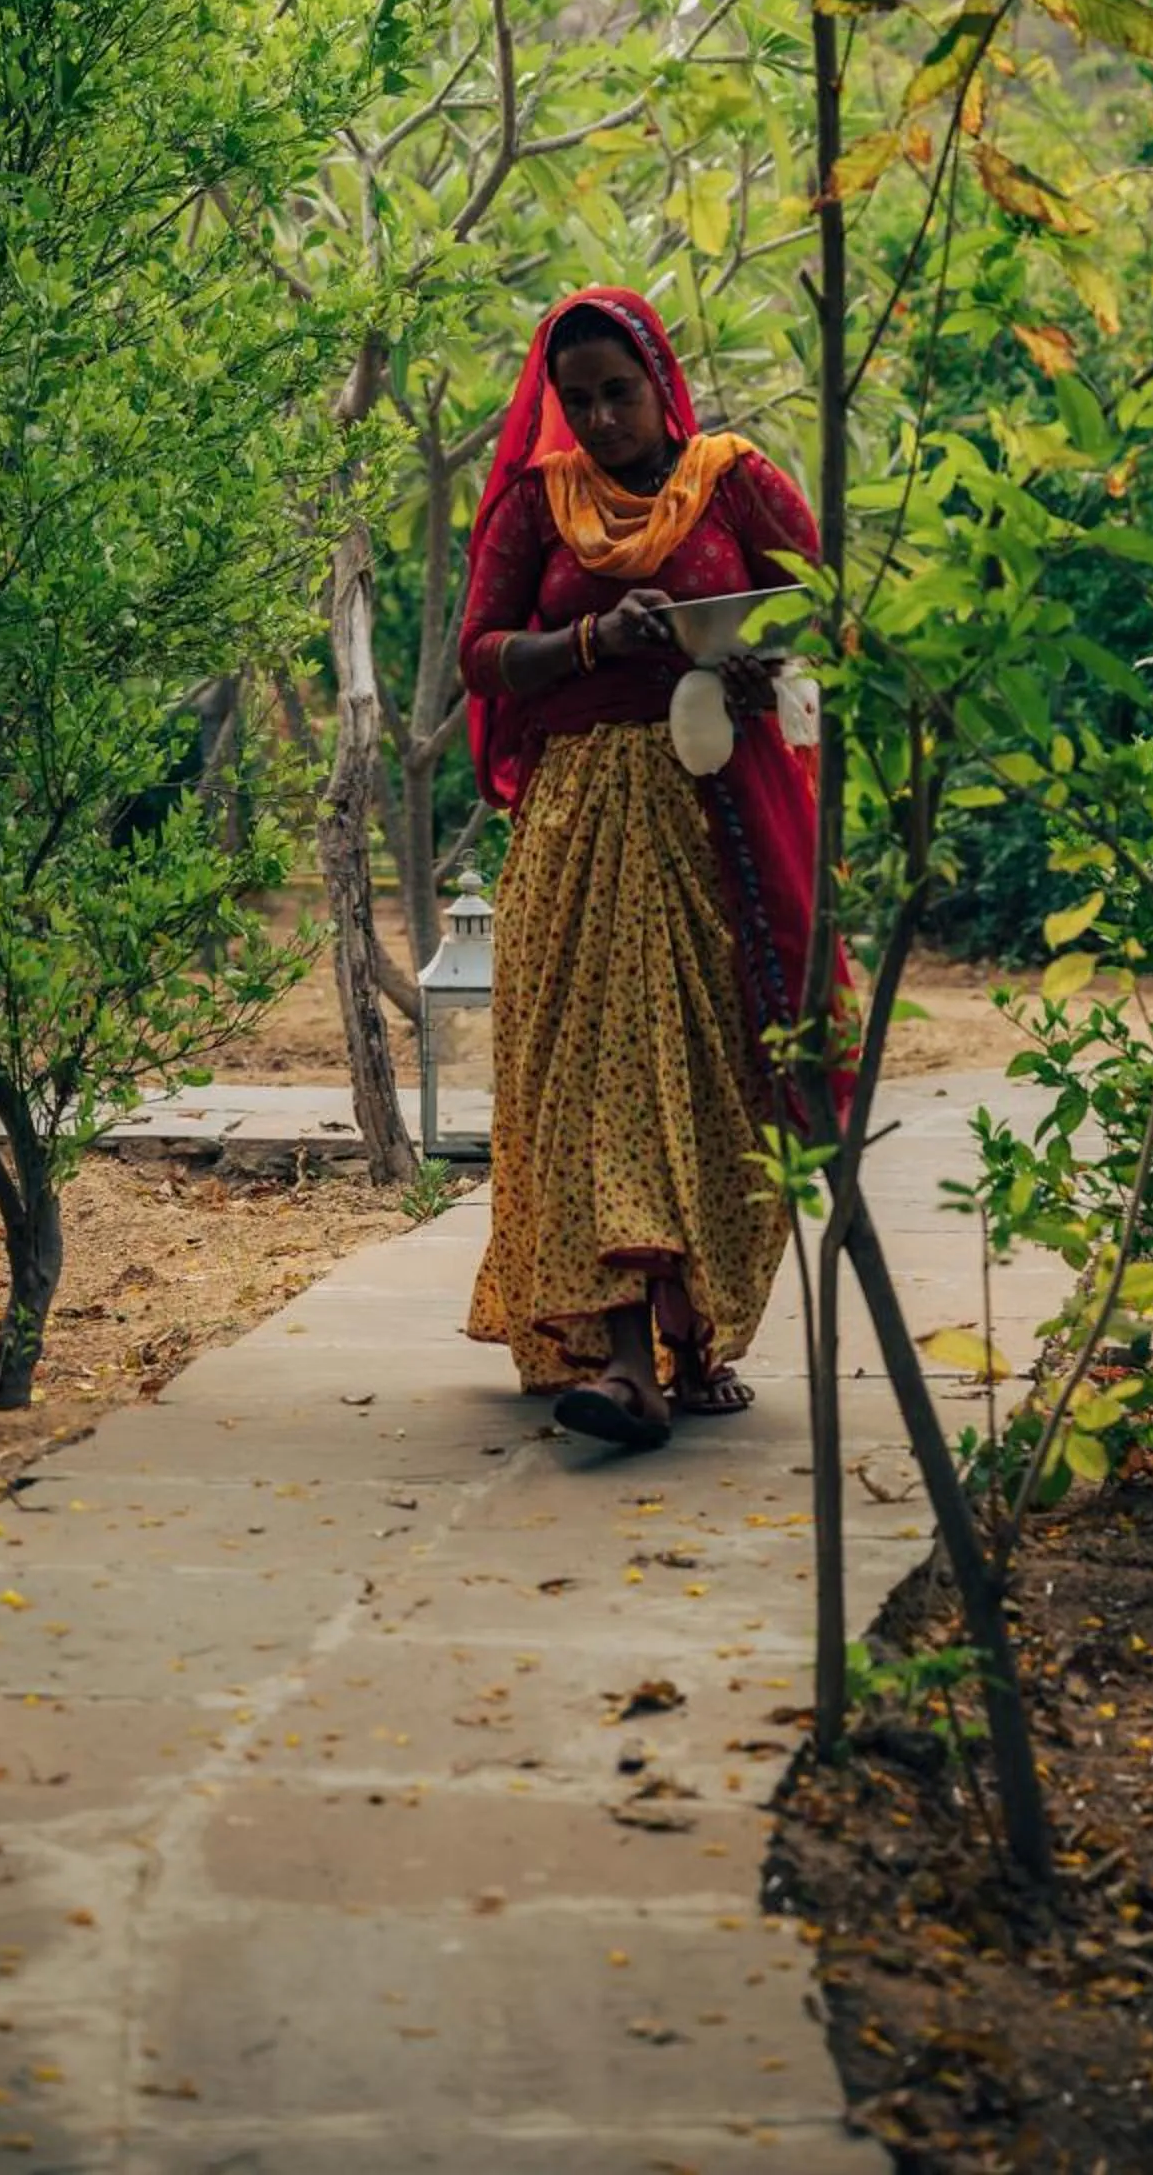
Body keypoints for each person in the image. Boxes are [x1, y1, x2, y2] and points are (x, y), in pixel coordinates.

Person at [457, 285, 849, 1453]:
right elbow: (483, 656)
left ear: (661, 383)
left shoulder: (732, 481)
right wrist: (590, 638)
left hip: (713, 816)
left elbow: (823, 606)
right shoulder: (540, 502)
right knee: (590, 1078)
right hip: (580, 826)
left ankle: (692, 1337)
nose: (599, 418)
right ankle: (625, 1365)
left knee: (710, 1069)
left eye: (617, 394)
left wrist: (758, 658)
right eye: (576, 401)